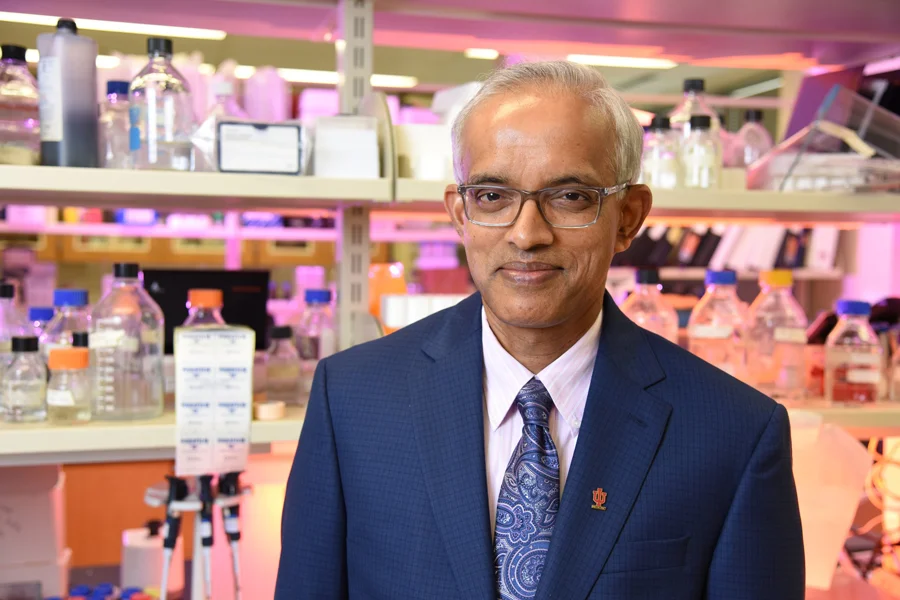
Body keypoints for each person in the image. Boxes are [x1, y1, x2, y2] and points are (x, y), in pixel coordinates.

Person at [275, 60, 804, 600]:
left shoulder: (733, 434)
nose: (527, 234)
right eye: (492, 196)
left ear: (628, 217)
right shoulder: (353, 402)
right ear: (460, 214)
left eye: (570, 197)